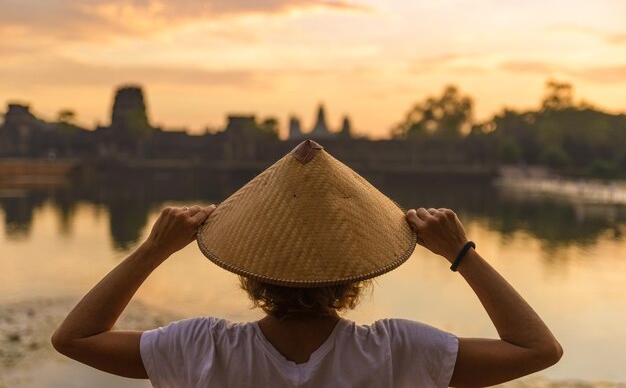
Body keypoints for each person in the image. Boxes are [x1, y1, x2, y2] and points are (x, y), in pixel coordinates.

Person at [52, 140, 562, 387]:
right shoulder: (399, 353)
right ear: (359, 274)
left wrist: (151, 251)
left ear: (248, 271)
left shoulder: (201, 350)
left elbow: (74, 338)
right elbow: (538, 349)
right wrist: (461, 254)